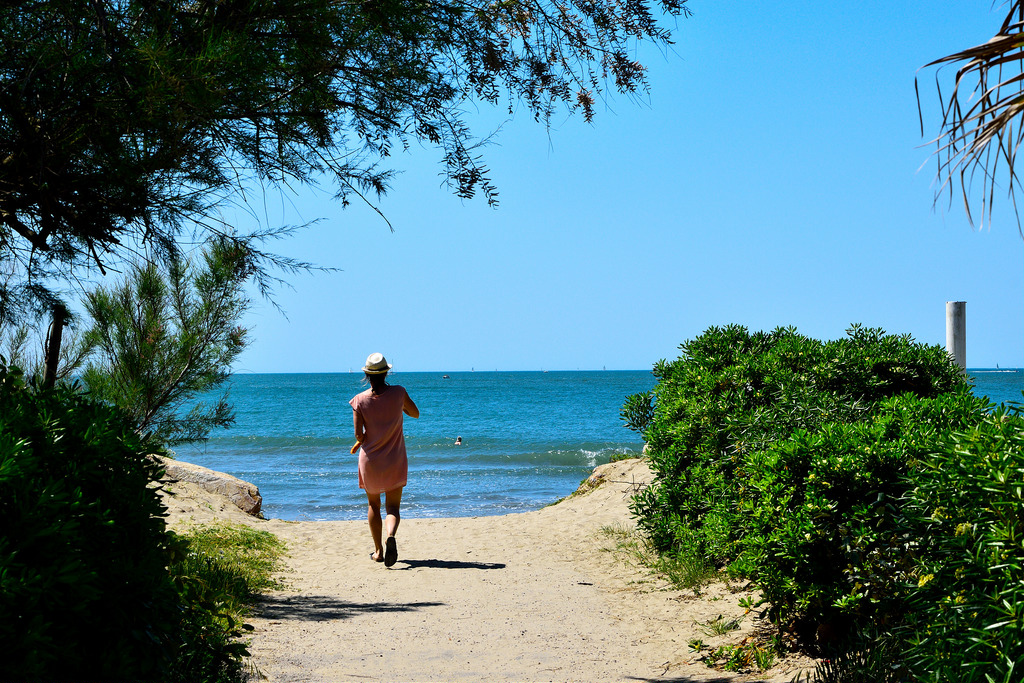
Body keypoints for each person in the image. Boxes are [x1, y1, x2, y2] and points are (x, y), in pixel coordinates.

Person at [349, 352, 419, 567]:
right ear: (386, 372)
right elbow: (415, 413)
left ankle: (378, 551)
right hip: (395, 459)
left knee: (373, 504)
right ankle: (391, 536)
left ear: (367, 375)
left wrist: (363, 439)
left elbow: (359, 435)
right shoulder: (399, 393)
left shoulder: (359, 400)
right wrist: (400, 407)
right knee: (393, 508)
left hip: (370, 459)